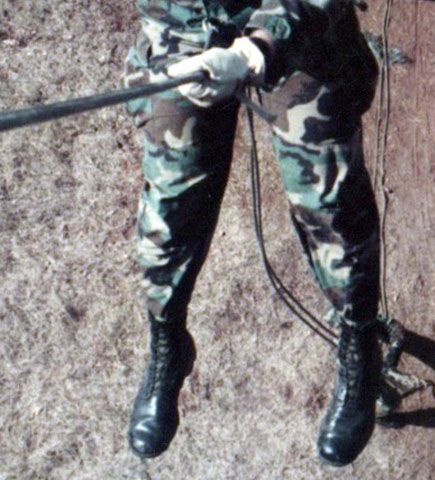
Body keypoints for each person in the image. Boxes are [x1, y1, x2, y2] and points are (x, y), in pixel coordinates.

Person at [121, 0, 383, 466]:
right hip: (181, 31)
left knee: (331, 203)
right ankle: (168, 340)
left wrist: (259, 48)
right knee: (167, 211)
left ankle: (360, 340)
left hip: (301, 30)